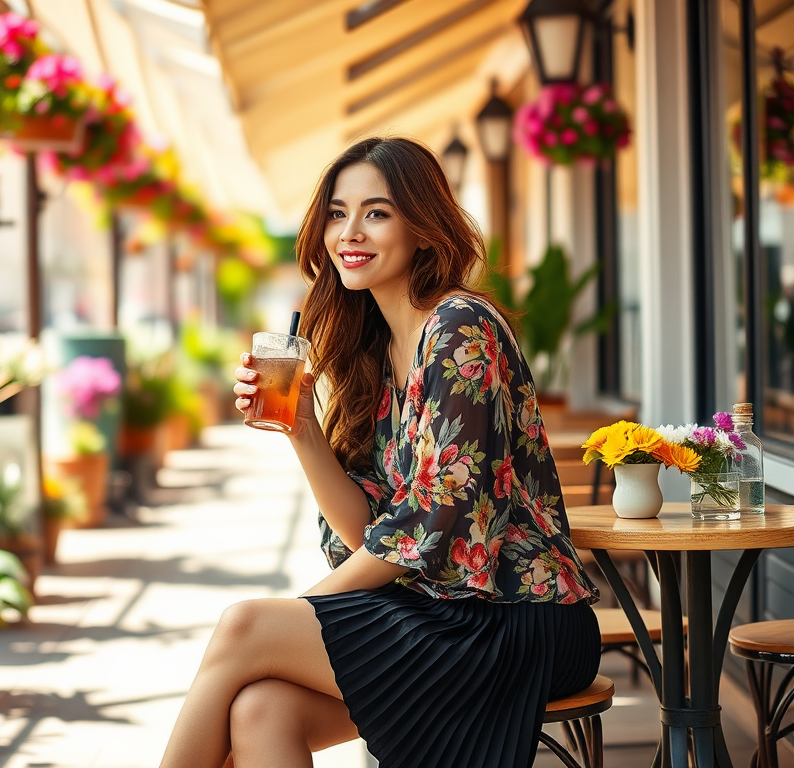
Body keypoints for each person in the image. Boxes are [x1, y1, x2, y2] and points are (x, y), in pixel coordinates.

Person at [158, 136, 601, 768]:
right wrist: (303, 431)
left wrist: (302, 607)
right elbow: (366, 529)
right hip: (439, 613)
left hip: (516, 618)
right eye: (337, 213)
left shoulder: (459, 326)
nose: (350, 232)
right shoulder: (377, 353)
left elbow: (427, 522)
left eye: (377, 212)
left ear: (423, 228)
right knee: (262, 709)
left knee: (244, 627)